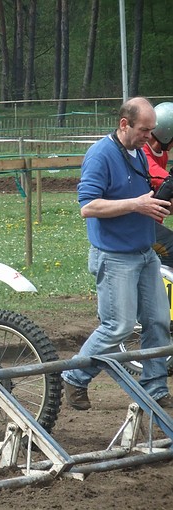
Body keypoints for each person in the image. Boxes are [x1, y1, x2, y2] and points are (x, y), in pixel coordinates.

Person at [62, 96, 173, 411]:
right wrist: (137, 204)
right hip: (114, 257)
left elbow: (138, 196)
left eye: (152, 131)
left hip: (144, 252)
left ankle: (154, 388)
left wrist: (155, 202)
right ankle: (74, 376)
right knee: (118, 326)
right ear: (124, 124)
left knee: (158, 322)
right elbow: (88, 206)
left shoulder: (137, 152)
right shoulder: (101, 154)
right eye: (144, 130)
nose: (149, 137)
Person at [144, 102, 173, 267]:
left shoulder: (162, 154)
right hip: (136, 223)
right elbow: (164, 182)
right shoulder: (143, 153)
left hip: (150, 221)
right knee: (171, 246)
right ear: (167, 135)